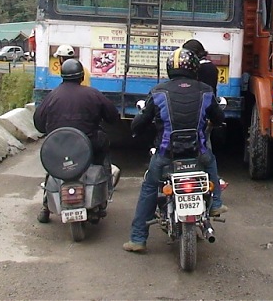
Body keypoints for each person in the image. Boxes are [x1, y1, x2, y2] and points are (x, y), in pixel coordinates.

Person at [123, 48, 226, 253]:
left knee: (150, 187)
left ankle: (138, 239)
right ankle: (215, 204)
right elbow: (219, 118)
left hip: (166, 154)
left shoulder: (158, 92)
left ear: (170, 68)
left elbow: (141, 120)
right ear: (195, 67)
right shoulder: (206, 91)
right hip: (198, 153)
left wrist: (136, 129)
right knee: (211, 161)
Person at [33, 58, 119, 221]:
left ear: (62, 76)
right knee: (103, 150)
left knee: (52, 170)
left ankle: (45, 206)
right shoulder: (92, 94)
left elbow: (38, 123)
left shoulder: (51, 96)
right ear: (81, 77)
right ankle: (104, 194)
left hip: (59, 148)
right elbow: (112, 116)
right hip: (89, 146)